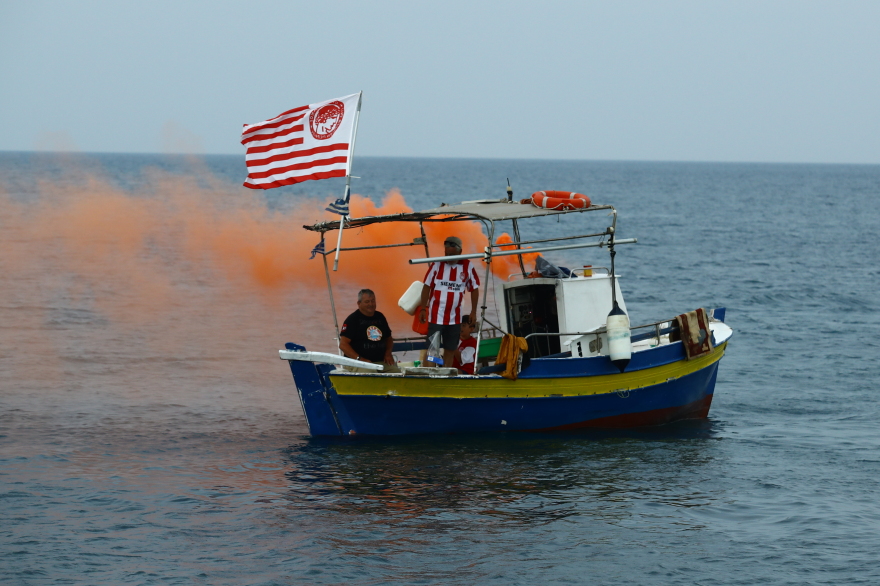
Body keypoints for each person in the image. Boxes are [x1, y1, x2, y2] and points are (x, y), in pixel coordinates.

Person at [418, 236, 480, 367]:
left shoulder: (467, 266)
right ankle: (428, 376)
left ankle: (445, 375)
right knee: (432, 351)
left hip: (455, 318)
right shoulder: (437, 264)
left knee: (450, 349)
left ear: (460, 251)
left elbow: (474, 289)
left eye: (452, 254)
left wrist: (473, 312)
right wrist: (423, 309)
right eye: (446, 253)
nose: (448, 256)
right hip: (436, 317)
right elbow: (426, 286)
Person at [339, 289, 399, 373]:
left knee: (397, 372)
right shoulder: (352, 319)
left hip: (379, 362)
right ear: (359, 303)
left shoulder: (380, 317)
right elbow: (343, 345)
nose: (370, 304)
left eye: (373, 301)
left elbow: (388, 338)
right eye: (367, 302)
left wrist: (388, 353)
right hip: (357, 363)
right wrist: (360, 359)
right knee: (371, 372)